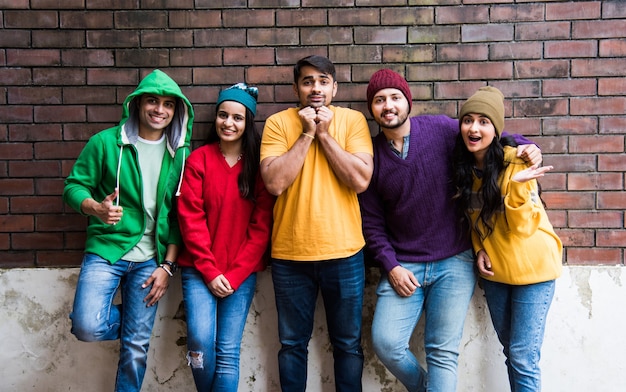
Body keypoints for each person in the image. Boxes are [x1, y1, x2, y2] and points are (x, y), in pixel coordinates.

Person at [358, 69, 543, 392]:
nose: (388, 106)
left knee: (442, 352)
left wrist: (527, 146)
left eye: (395, 98)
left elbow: (490, 137)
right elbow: (372, 224)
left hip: (454, 261)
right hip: (405, 264)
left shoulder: (441, 129)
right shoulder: (371, 156)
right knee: (386, 342)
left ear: (408, 102)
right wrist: (392, 266)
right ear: (372, 109)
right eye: (379, 100)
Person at [63, 69, 194, 392]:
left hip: (152, 260)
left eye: (168, 104)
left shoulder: (181, 155)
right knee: (87, 326)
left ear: (177, 111)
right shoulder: (106, 143)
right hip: (108, 250)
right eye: (152, 101)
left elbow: (179, 218)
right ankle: (118, 320)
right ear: (137, 104)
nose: (159, 110)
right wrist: (96, 208)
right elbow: (74, 187)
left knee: (135, 348)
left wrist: (168, 266)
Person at [259, 55, 374, 391]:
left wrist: (324, 135)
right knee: (292, 345)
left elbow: (360, 180)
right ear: (296, 88)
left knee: (348, 345)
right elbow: (275, 183)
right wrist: (307, 135)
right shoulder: (279, 124)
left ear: (335, 88)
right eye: (308, 81)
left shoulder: (352, 121)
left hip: (345, 253)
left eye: (323, 81)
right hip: (291, 256)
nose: (315, 88)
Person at [451, 86, 562, 391]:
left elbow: (523, 228)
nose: (474, 128)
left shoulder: (517, 161)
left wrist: (514, 187)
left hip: (533, 270)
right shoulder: (463, 168)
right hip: (497, 272)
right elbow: (472, 221)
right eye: (468, 120)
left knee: (523, 356)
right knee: (512, 353)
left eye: (484, 121)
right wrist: (479, 250)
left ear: (496, 128)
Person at [176, 83, 275, 391]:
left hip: (239, 274)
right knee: (200, 342)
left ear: (248, 123)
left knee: (228, 352)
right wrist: (209, 269)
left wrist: (232, 275)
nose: (228, 123)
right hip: (198, 269)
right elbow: (189, 219)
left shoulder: (257, 168)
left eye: (237, 118)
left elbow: (261, 227)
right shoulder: (198, 160)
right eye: (223, 115)